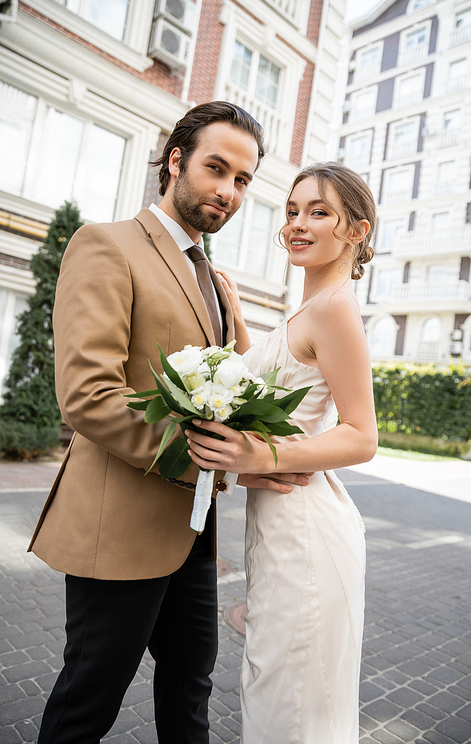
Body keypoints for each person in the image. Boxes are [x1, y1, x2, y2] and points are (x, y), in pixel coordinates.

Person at [28, 101, 310, 744]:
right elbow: (88, 395)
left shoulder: (213, 275)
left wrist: (257, 447)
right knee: (88, 703)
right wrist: (207, 454)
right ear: (176, 161)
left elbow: (237, 383)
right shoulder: (106, 244)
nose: (228, 191)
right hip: (119, 523)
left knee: (190, 691)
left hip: (193, 530)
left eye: (242, 180)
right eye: (216, 168)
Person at [185, 161, 379, 743]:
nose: (297, 223)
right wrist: (241, 324)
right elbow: (270, 395)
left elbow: (361, 436)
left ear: (357, 231)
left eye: (319, 212)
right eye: (292, 211)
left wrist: (255, 459)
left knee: (289, 706)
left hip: (306, 526)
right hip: (277, 527)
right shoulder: (306, 311)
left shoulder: (336, 308)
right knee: (276, 690)